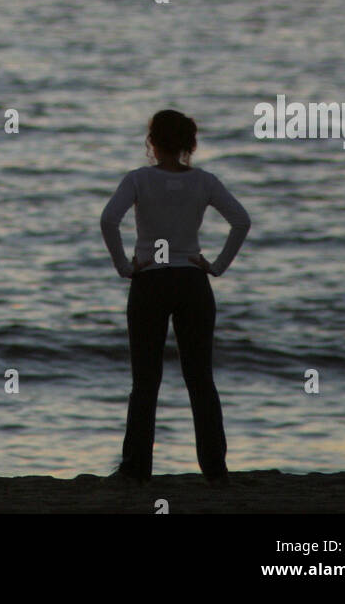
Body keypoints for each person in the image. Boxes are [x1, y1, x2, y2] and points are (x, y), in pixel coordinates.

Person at [100, 110, 251, 484]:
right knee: (200, 378)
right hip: (191, 280)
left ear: (152, 142)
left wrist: (124, 264)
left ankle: (136, 468)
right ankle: (215, 468)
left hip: (150, 279)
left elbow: (108, 220)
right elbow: (241, 221)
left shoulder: (138, 179)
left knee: (145, 381)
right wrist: (216, 266)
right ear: (190, 144)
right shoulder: (205, 181)